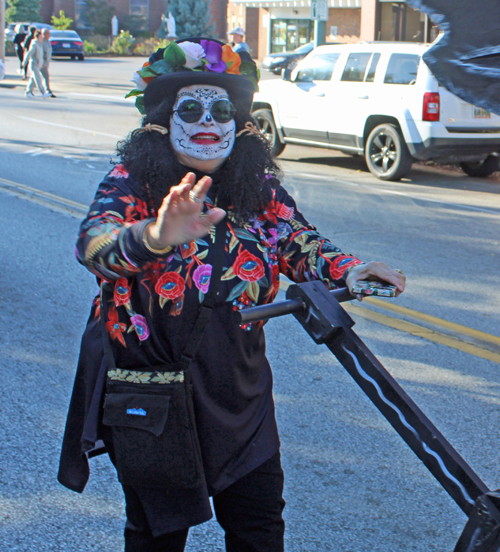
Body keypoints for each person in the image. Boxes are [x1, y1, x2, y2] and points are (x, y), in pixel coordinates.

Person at [57, 37, 405, 551]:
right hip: (156, 397)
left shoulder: (257, 188)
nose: (208, 119)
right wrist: (154, 236)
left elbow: (299, 242)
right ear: (161, 120)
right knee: (158, 534)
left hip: (239, 394)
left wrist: (350, 270)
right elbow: (94, 245)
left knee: (259, 528)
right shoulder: (132, 181)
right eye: (191, 108)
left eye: (221, 109)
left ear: (239, 124)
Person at [23, 30, 50, 98]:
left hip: (39, 65)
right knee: (38, 79)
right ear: (37, 37)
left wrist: (43, 62)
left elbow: (41, 55)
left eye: (42, 37)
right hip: (33, 64)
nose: (41, 39)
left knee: (33, 80)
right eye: (40, 38)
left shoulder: (40, 45)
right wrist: (24, 62)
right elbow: (29, 53)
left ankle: (28, 92)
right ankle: (43, 93)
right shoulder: (34, 44)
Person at [40, 28, 56, 98]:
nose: (49, 35)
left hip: (46, 62)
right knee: (46, 76)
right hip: (42, 62)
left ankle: (29, 90)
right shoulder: (41, 42)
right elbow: (40, 53)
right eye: (47, 33)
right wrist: (42, 61)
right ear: (43, 34)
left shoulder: (47, 41)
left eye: (49, 34)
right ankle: (48, 90)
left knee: (35, 77)